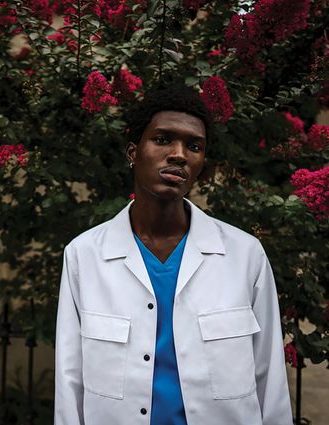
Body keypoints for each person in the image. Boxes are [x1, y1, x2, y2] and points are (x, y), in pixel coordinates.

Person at [54, 84, 292, 425]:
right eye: (163, 139)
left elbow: (270, 380)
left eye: (194, 146)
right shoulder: (85, 256)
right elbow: (69, 382)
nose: (179, 154)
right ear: (133, 152)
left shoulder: (244, 255)